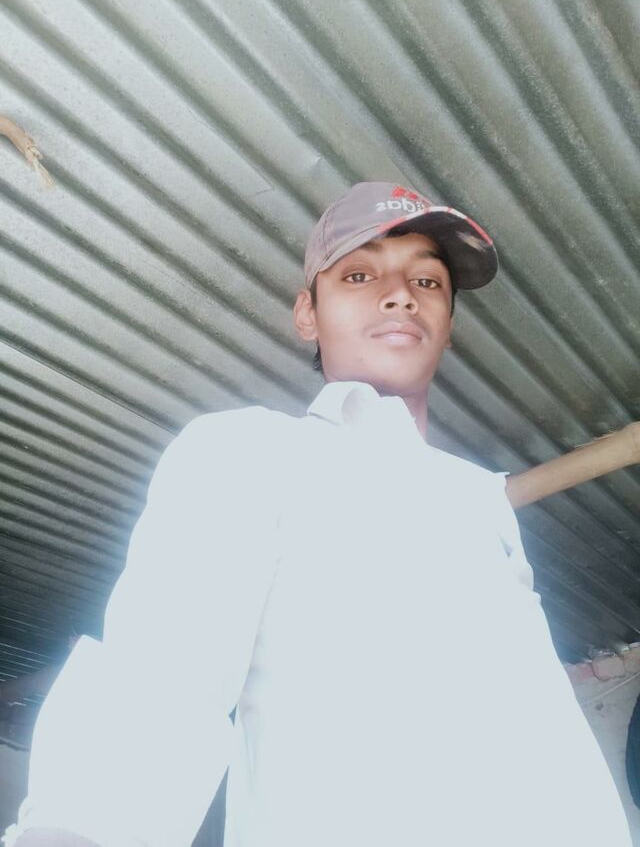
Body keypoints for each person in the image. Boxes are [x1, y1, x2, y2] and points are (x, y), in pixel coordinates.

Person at [5, 182, 631, 846]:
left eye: (427, 280)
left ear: (447, 325)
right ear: (307, 314)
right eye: (359, 274)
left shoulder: (480, 504)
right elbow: (156, 689)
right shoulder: (248, 451)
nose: (402, 294)